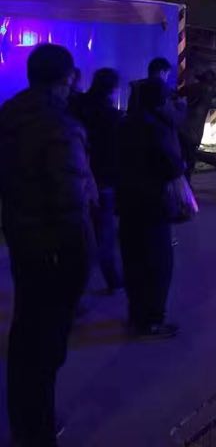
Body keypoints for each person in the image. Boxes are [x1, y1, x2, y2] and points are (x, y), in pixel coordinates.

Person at [0, 44, 96, 447]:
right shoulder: (59, 125)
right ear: (67, 78)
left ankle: (27, 422)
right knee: (45, 342)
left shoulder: (10, 113)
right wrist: (81, 259)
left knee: (26, 333)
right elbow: (70, 200)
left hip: (22, 237)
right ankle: (35, 432)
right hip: (55, 248)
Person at [117, 76, 185, 338]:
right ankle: (152, 321)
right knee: (157, 264)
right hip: (153, 204)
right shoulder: (155, 128)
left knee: (133, 262)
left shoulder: (124, 124)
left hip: (126, 203)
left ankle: (136, 316)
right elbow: (172, 166)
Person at [76, 68, 124, 292]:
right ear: (113, 89)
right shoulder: (112, 116)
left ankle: (75, 289)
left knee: (79, 234)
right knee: (104, 233)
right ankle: (111, 279)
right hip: (103, 179)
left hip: (78, 177)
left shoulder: (77, 106)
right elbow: (116, 151)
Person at [177, 69, 216, 179]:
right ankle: (186, 181)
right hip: (196, 130)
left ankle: (184, 182)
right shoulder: (209, 90)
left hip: (188, 128)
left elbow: (181, 91)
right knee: (190, 157)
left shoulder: (198, 88)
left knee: (185, 156)